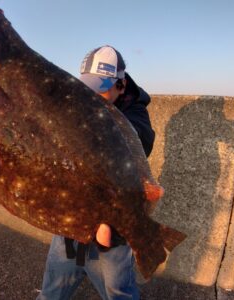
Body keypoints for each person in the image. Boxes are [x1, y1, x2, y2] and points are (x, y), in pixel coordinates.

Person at [37, 45, 156, 300]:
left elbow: (141, 141)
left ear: (120, 85)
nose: (91, 96)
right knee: (53, 289)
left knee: (118, 292)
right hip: (73, 218)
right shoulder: (81, 105)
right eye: (87, 87)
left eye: (100, 88)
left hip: (113, 225)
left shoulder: (135, 113)